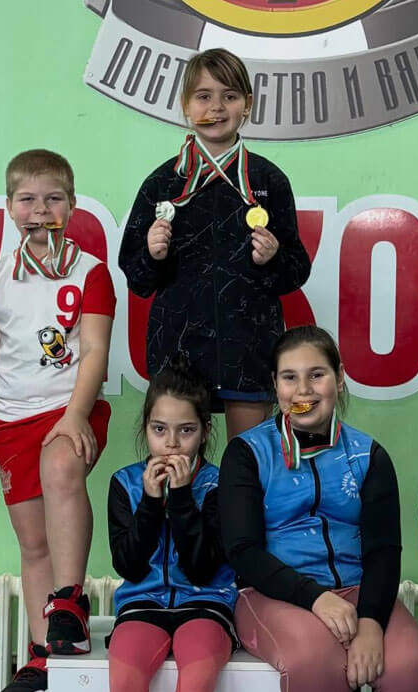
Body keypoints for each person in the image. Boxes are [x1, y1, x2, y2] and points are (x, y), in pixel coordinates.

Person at [0, 149, 115, 692]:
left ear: (71, 206)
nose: (40, 210)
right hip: (10, 421)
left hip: (69, 409)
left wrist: (76, 414)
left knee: (60, 470)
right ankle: (42, 651)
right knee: (32, 543)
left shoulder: (92, 272)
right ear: (9, 207)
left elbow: (94, 349)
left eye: (53, 199)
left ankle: (68, 601)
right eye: (27, 199)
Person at [220, 326, 418, 692]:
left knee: (411, 665)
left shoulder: (369, 455)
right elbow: (243, 551)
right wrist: (316, 598)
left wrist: (370, 623)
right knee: (315, 661)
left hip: (358, 591)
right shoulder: (247, 454)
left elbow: (383, 551)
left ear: (339, 378)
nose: (303, 390)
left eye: (316, 375)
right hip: (272, 594)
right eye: (290, 377)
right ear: (275, 385)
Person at [119, 47, 311, 440]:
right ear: (185, 105)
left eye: (230, 96)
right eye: (203, 96)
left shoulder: (268, 180)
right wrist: (153, 256)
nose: (216, 107)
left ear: (248, 105)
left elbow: (296, 271)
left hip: (249, 345)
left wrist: (273, 258)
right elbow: (137, 278)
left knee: (248, 460)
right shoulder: (162, 183)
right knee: (178, 460)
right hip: (177, 349)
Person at [107, 357, 237, 692]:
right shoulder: (125, 483)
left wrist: (180, 498)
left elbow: (201, 570)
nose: (172, 443)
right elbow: (129, 566)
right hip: (141, 603)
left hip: (207, 604)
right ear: (146, 427)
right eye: (159, 429)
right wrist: (150, 503)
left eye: (187, 430)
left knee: (196, 680)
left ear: (205, 431)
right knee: (124, 680)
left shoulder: (219, 486)